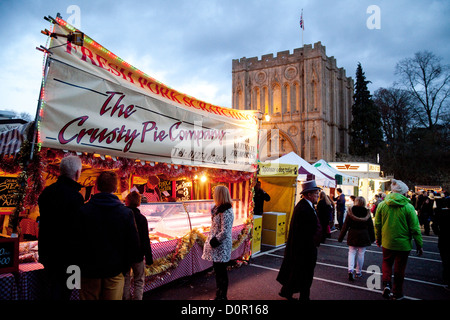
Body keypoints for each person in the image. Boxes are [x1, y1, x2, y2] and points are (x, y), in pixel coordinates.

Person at [78, 171, 140, 300]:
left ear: (96, 187)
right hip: (114, 271)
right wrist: (125, 269)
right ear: (116, 188)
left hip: (88, 272)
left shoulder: (83, 211)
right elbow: (133, 245)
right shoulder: (125, 213)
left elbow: (75, 243)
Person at [38, 155, 84, 300]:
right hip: (71, 258)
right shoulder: (76, 197)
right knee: (67, 293)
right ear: (77, 173)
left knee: (51, 292)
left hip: (48, 254)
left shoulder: (46, 192)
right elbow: (78, 229)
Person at [375, 179, 423, 300]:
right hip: (403, 245)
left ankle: (386, 284)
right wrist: (419, 244)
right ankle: (397, 293)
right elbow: (415, 229)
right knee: (399, 269)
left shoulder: (382, 205)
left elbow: (378, 225)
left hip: (387, 242)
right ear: (404, 193)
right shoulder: (409, 207)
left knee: (386, 263)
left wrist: (378, 239)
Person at [277, 180, 322, 301]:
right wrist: (312, 243)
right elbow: (304, 232)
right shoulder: (304, 208)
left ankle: (287, 291)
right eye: (316, 193)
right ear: (308, 195)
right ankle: (303, 297)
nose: (318, 195)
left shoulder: (306, 205)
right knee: (305, 274)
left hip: (303, 248)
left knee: (299, 272)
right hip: (304, 248)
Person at [202, 185, 234, 300]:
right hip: (217, 245)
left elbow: (225, 231)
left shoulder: (227, 210)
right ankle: (219, 295)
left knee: (222, 272)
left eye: (215, 193)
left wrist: (214, 241)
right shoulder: (217, 208)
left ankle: (222, 296)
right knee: (218, 271)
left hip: (222, 245)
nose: (213, 195)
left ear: (220, 195)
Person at [123, 191, 153, 300]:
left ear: (126, 202)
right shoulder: (142, 218)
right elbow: (145, 239)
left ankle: (125, 298)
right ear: (139, 203)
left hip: (125, 254)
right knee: (139, 280)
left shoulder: (122, 216)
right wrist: (149, 258)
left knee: (125, 280)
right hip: (138, 255)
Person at [338, 196, 375, 281]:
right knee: (361, 254)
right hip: (364, 235)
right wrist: (373, 238)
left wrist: (341, 237)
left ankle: (350, 270)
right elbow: (370, 227)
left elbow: (345, 225)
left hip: (353, 234)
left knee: (351, 253)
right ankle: (358, 272)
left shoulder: (351, 211)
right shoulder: (367, 212)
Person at [431, 193, 450, 289]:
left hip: (443, 238)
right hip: (444, 237)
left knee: (445, 259)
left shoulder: (441, 213)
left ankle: (446, 278)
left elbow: (434, 225)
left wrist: (438, 232)